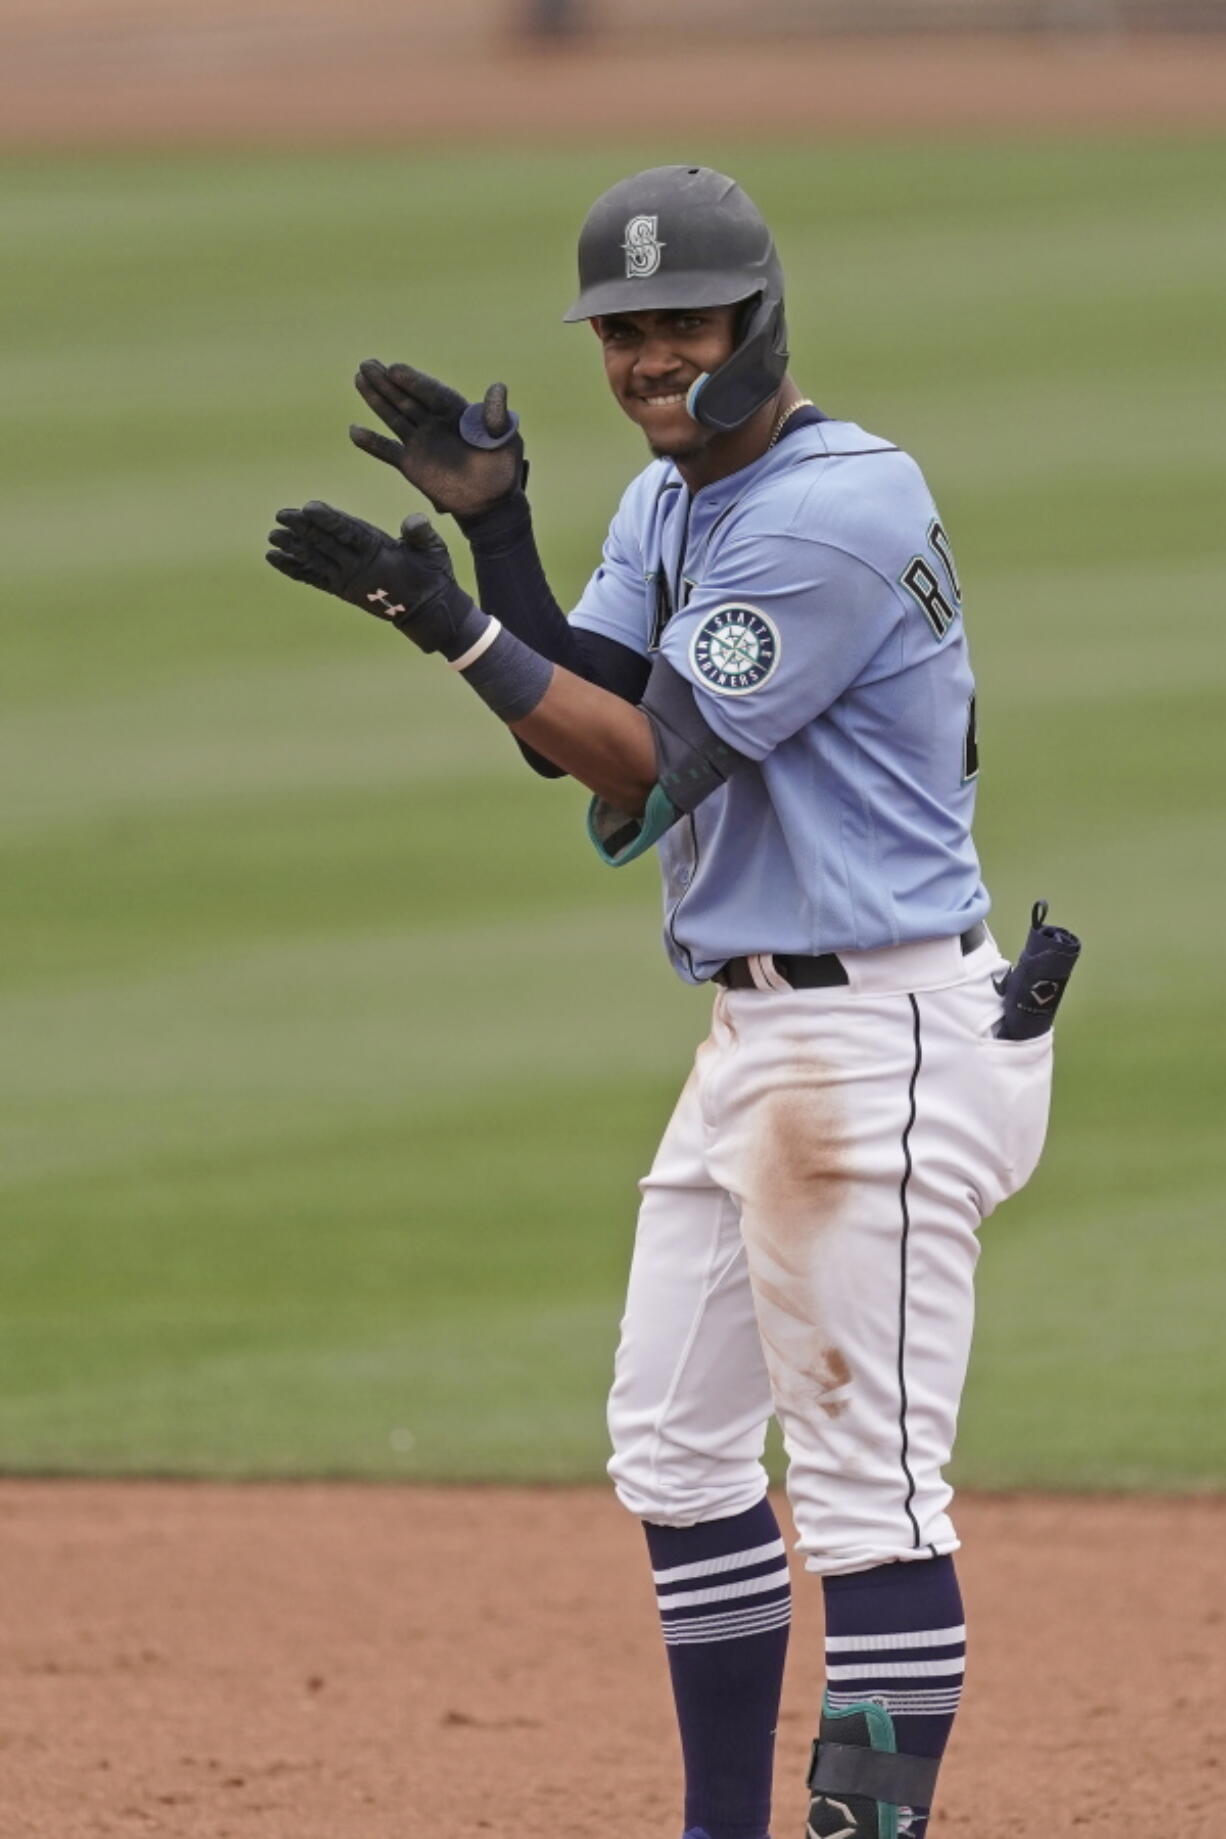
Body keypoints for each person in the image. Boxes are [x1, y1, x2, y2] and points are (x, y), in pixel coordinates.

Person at [266, 165, 1056, 1839]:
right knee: (679, 1458)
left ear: (758, 323)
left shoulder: (831, 507)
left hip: (880, 1043)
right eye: (619, 333)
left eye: (676, 326)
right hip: (766, 1043)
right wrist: (491, 542)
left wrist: (448, 625)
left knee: (869, 1503)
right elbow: (585, 712)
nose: (641, 362)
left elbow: (655, 758)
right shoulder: (673, 493)